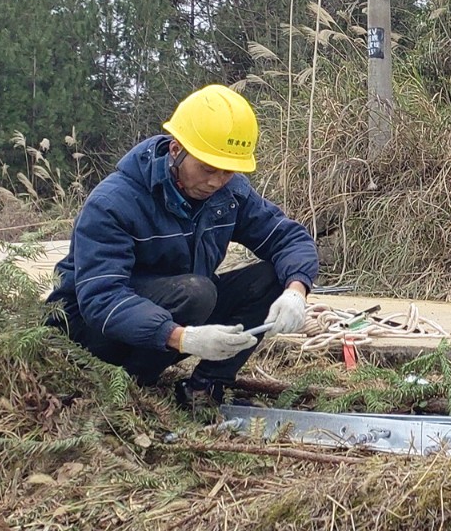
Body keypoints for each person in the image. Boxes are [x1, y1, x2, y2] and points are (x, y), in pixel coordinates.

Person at [46, 85, 319, 408]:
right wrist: (182, 338)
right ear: (176, 150)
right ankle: (126, 383)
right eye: (207, 168)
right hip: (90, 334)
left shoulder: (228, 194)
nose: (216, 181)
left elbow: (288, 238)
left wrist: (295, 291)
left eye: (228, 171)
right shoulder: (113, 203)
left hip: (171, 314)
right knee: (196, 292)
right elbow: (101, 299)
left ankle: (204, 390)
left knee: (273, 278)